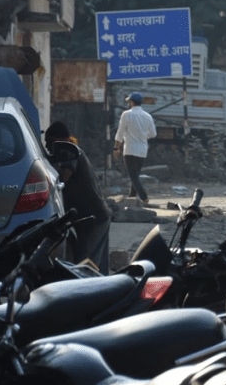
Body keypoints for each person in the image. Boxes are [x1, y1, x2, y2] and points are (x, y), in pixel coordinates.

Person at [45, 122, 112, 272]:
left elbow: (64, 177)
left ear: (60, 140)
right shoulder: (68, 152)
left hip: (94, 217)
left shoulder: (69, 152)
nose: (48, 146)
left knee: (87, 263)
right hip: (89, 217)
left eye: (50, 142)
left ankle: (91, 292)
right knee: (97, 264)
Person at [113, 92, 157, 207]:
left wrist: (116, 147)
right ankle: (132, 196)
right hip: (142, 150)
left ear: (132, 102)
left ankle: (144, 196)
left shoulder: (126, 114)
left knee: (133, 175)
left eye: (129, 102)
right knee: (135, 174)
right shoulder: (147, 116)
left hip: (130, 149)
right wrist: (143, 135)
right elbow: (153, 134)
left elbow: (120, 133)